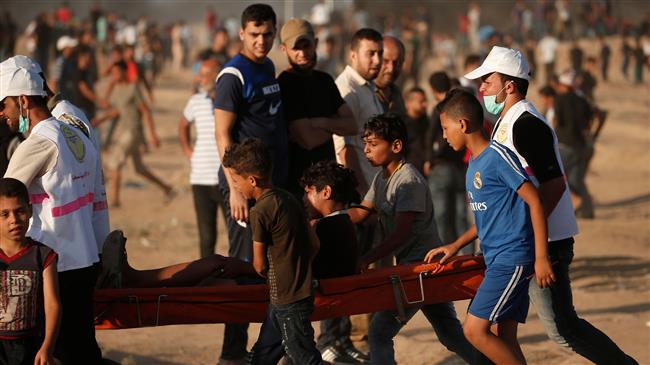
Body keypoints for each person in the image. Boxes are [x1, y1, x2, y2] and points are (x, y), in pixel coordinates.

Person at [464, 46, 638, 365]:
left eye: (488, 80)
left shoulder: (527, 123)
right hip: (520, 243)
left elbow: (554, 184)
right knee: (502, 331)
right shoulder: (507, 121)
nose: (482, 88)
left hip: (546, 243)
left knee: (562, 328)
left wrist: (532, 236)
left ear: (510, 85)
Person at [424, 89, 554, 365]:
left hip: (512, 259)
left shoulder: (497, 156)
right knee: (502, 336)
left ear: (462, 124)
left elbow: (535, 202)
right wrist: (455, 245)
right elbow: (486, 219)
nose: (443, 136)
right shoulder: (473, 163)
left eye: (445, 128)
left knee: (473, 330)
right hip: (495, 259)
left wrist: (541, 257)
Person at [0, 62, 107, 364]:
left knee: (52, 353)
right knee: (81, 349)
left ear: (22, 100)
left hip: (50, 268)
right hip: (84, 259)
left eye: (4, 104)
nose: (1, 113)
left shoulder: (38, 143)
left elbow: (4, 199)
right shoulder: (76, 134)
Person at [347, 114, 474, 365]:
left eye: (373, 144)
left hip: (420, 269)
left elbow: (400, 235)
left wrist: (366, 259)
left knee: (379, 331)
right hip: (417, 269)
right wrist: (330, 219)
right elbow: (362, 212)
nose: (366, 150)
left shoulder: (409, 181)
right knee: (451, 336)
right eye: (365, 144)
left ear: (396, 146)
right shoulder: (382, 177)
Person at [213, 4, 288, 363]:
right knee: (244, 268)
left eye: (268, 34)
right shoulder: (233, 75)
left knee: (270, 267)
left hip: (267, 186)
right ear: (241, 33)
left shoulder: (268, 67)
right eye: (255, 34)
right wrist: (234, 189)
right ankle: (231, 353)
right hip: (244, 188)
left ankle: (268, 349)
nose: (261, 41)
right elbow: (222, 135)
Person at [243, 160, 364, 364]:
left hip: (296, 295)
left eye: (308, 192)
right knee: (272, 348)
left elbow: (305, 259)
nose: (304, 199)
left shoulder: (327, 228)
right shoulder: (344, 224)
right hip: (302, 295)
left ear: (325, 192)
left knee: (298, 353)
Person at [222, 139, 321, 365]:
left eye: (236, 181)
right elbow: (314, 244)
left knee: (303, 356)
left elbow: (259, 265)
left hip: (286, 298)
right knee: (262, 355)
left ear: (252, 180)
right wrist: (299, 270)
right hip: (295, 294)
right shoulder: (290, 198)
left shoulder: (259, 212)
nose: (235, 186)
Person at [277, 18, 356, 198]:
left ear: (316, 43)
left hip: (329, 184)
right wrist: (335, 126)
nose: (303, 53)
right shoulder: (285, 84)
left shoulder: (324, 80)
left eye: (307, 46)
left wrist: (321, 122)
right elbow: (308, 140)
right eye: (296, 48)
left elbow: (352, 125)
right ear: (284, 49)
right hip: (300, 188)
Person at [93, 60, 173, 208]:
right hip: (126, 131)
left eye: (117, 72)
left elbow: (145, 111)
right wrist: (100, 119)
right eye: (113, 73)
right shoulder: (118, 90)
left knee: (115, 162)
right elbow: (118, 111)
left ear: (124, 72)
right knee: (139, 169)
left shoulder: (133, 88)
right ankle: (167, 188)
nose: (115, 75)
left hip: (133, 131)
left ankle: (115, 201)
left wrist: (153, 135)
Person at [0, 178, 60, 365]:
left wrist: (47, 348)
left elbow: (52, 305)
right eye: (5, 214)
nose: (14, 220)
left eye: (20, 212)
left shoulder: (43, 255)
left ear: (31, 210)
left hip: (30, 348)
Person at [179, 59, 225, 258]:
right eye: (200, 74)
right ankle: (207, 280)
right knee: (207, 237)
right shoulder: (196, 101)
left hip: (225, 178)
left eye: (205, 74)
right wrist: (188, 150)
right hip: (200, 178)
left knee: (236, 233)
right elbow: (183, 125)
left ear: (217, 75)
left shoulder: (228, 100)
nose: (200, 78)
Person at [424, 71, 471, 255]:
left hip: (442, 167)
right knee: (461, 217)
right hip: (460, 168)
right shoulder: (459, 107)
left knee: (442, 217)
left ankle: (445, 257)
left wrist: (430, 158)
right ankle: (466, 258)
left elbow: (430, 137)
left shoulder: (440, 110)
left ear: (434, 89)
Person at [334, 28, 384, 196]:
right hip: (362, 193)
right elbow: (344, 149)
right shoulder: (347, 89)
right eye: (370, 54)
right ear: (353, 55)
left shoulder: (367, 86)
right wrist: (362, 194)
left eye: (380, 53)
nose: (377, 61)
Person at [554, 70, 594, 219]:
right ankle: (586, 212)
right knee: (576, 180)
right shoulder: (582, 100)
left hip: (564, 144)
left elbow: (559, 120)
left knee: (556, 176)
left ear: (563, 85)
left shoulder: (560, 99)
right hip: (580, 144)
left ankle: (571, 205)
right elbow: (590, 119)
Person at [374, 36, 406, 116]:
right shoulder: (361, 93)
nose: (391, 69)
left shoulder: (396, 93)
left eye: (396, 63)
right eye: (385, 61)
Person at [402, 87, 429, 174]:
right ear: (408, 103)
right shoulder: (402, 125)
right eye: (421, 102)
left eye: (425, 101)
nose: (425, 105)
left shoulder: (427, 122)